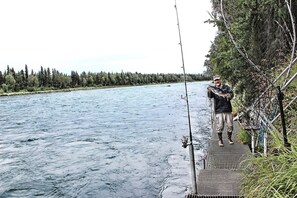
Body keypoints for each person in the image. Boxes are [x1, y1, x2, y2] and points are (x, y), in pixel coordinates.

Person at [207, 75, 234, 147]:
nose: (217, 81)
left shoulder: (226, 87)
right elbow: (210, 96)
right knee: (220, 126)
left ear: (220, 80)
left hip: (227, 109)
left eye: (218, 80)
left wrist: (229, 96)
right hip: (218, 110)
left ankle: (229, 139)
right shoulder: (213, 89)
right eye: (215, 80)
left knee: (230, 125)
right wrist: (209, 91)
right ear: (214, 81)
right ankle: (220, 140)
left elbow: (231, 94)